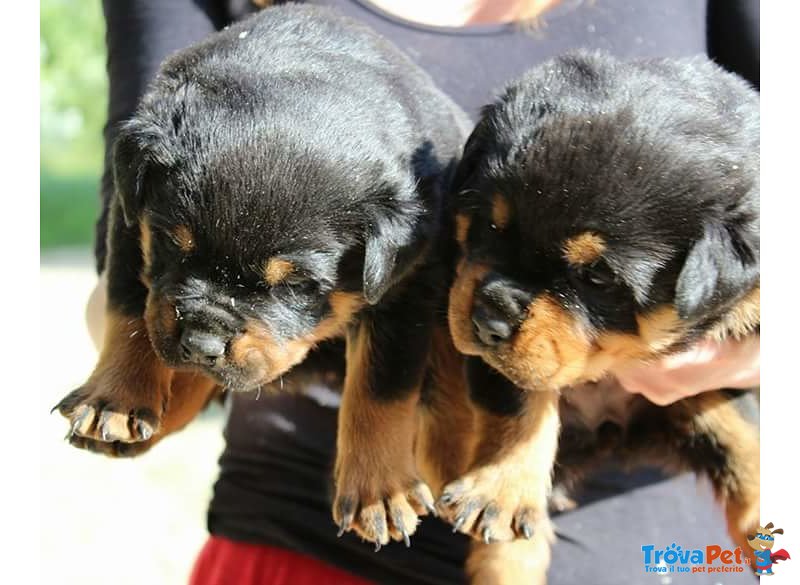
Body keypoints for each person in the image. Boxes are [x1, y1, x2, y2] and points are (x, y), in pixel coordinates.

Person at [90, 1, 760, 583]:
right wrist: (145, 365)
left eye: (594, 275)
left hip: (670, 558)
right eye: (484, 231)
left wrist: (750, 344)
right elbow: (129, 215)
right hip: (301, 540)